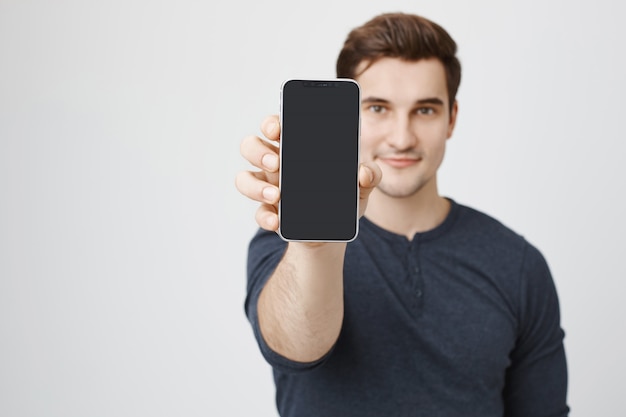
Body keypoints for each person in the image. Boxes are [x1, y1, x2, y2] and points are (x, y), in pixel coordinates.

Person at [235, 12, 569, 417]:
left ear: (452, 118)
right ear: (350, 116)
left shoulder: (517, 264)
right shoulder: (288, 241)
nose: (401, 137)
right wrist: (314, 245)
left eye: (425, 110)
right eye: (378, 108)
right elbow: (293, 348)